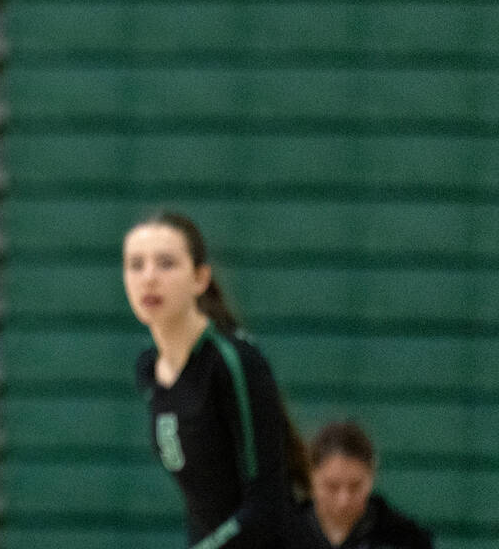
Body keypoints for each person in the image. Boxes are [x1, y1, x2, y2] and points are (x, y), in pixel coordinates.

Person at [123, 210, 322, 549]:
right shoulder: (149, 369)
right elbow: (200, 504)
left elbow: (266, 506)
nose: (149, 278)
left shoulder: (234, 362)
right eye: (136, 265)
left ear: (200, 278)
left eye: (166, 263)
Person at [303, 420, 433, 549]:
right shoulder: (287, 532)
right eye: (332, 486)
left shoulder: (405, 538)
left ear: (371, 477)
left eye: (355, 486)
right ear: (311, 477)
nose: (344, 500)